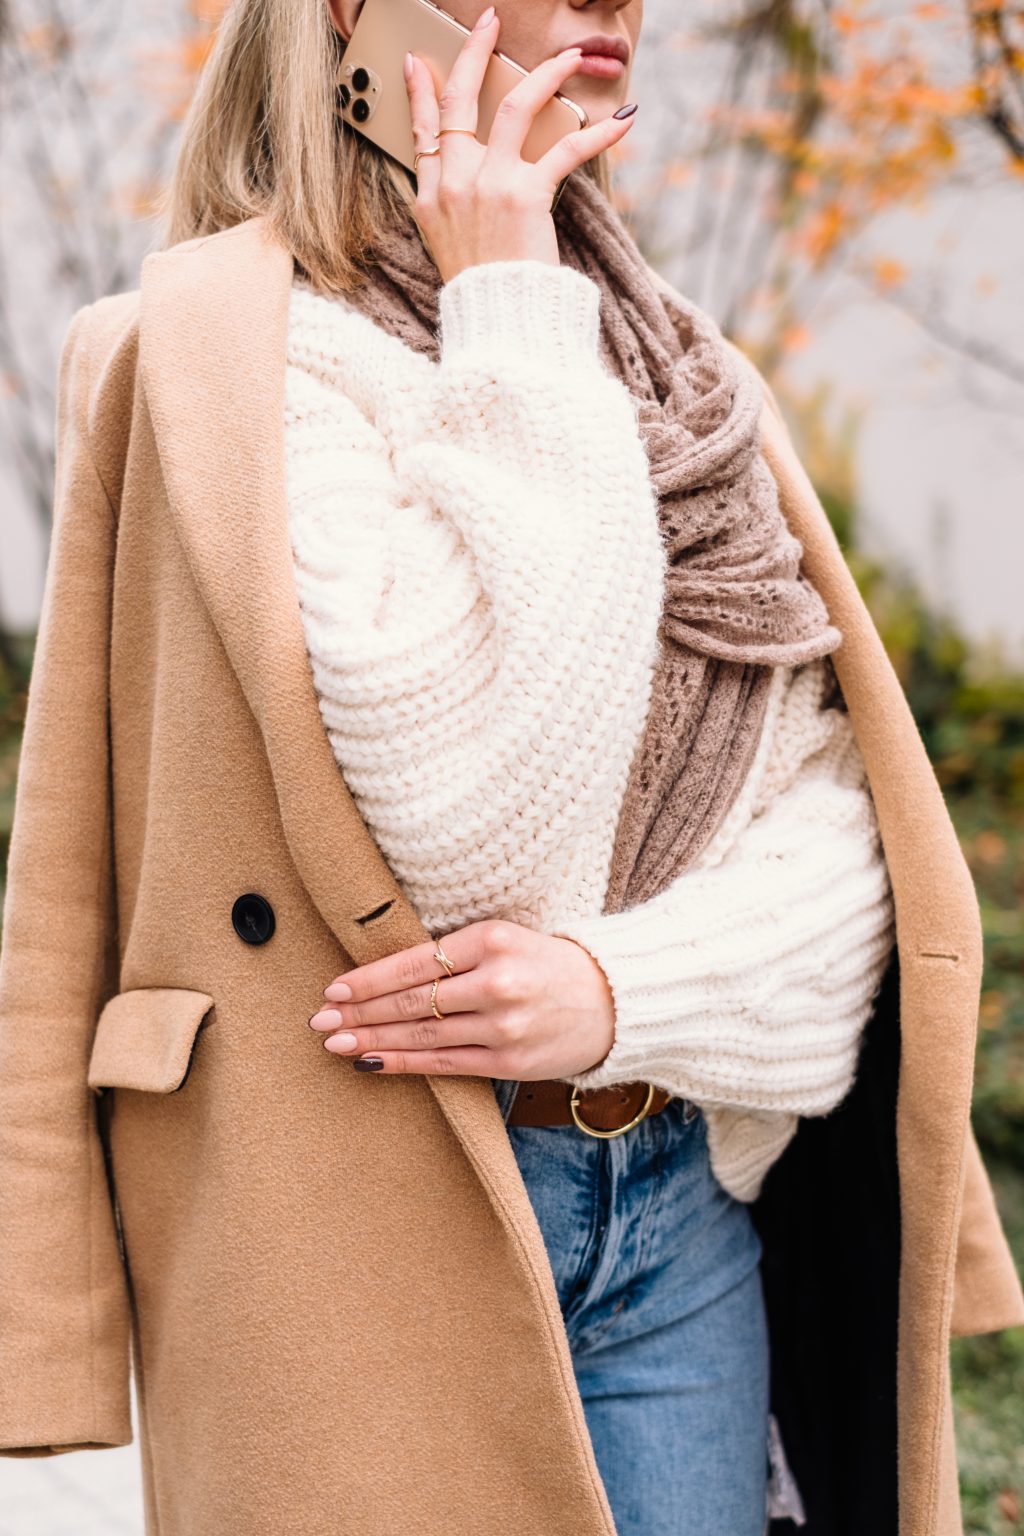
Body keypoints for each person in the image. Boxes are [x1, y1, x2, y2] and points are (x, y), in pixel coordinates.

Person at [0, 3, 1020, 1535]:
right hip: (354, 1215)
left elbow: (837, 832)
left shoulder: (675, 371)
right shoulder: (222, 358)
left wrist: (621, 995)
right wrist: (513, 308)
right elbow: (478, 830)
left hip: (681, 1198)